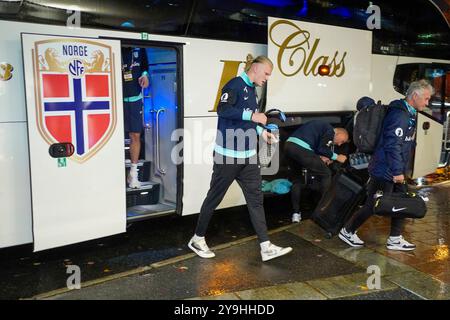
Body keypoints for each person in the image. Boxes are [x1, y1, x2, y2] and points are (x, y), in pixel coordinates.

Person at [188, 55, 293, 262]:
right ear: (255, 68)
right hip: (227, 156)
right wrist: (253, 117)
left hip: (248, 158)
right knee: (214, 198)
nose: (267, 78)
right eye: (266, 73)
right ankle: (197, 239)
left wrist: (262, 132)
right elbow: (223, 110)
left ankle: (266, 246)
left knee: (256, 200)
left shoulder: (253, 90)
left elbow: (248, 121)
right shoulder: (234, 84)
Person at [339, 80, 434, 251]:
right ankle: (347, 230)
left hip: (393, 168)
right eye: (426, 99)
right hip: (385, 169)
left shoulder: (408, 113)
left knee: (403, 202)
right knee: (374, 204)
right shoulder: (400, 115)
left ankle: (395, 238)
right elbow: (392, 144)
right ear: (414, 96)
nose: (427, 103)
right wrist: (397, 171)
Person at [285, 120, 349, 223]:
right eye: (342, 140)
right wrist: (337, 157)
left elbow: (315, 147)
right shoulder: (330, 130)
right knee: (326, 174)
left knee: (297, 180)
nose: (340, 144)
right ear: (338, 133)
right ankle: (325, 211)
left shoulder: (320, 127)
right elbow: (321, 148)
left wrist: (319, 157)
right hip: (302, 149)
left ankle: (296, 214)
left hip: (289, 146)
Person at [122, 46, 149, 188]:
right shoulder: (115, 48)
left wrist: (145, 75)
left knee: (135, 136)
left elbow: (145, 67)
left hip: (135, 98)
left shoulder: (140, 49)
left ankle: (133, 174)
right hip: (116, 98)